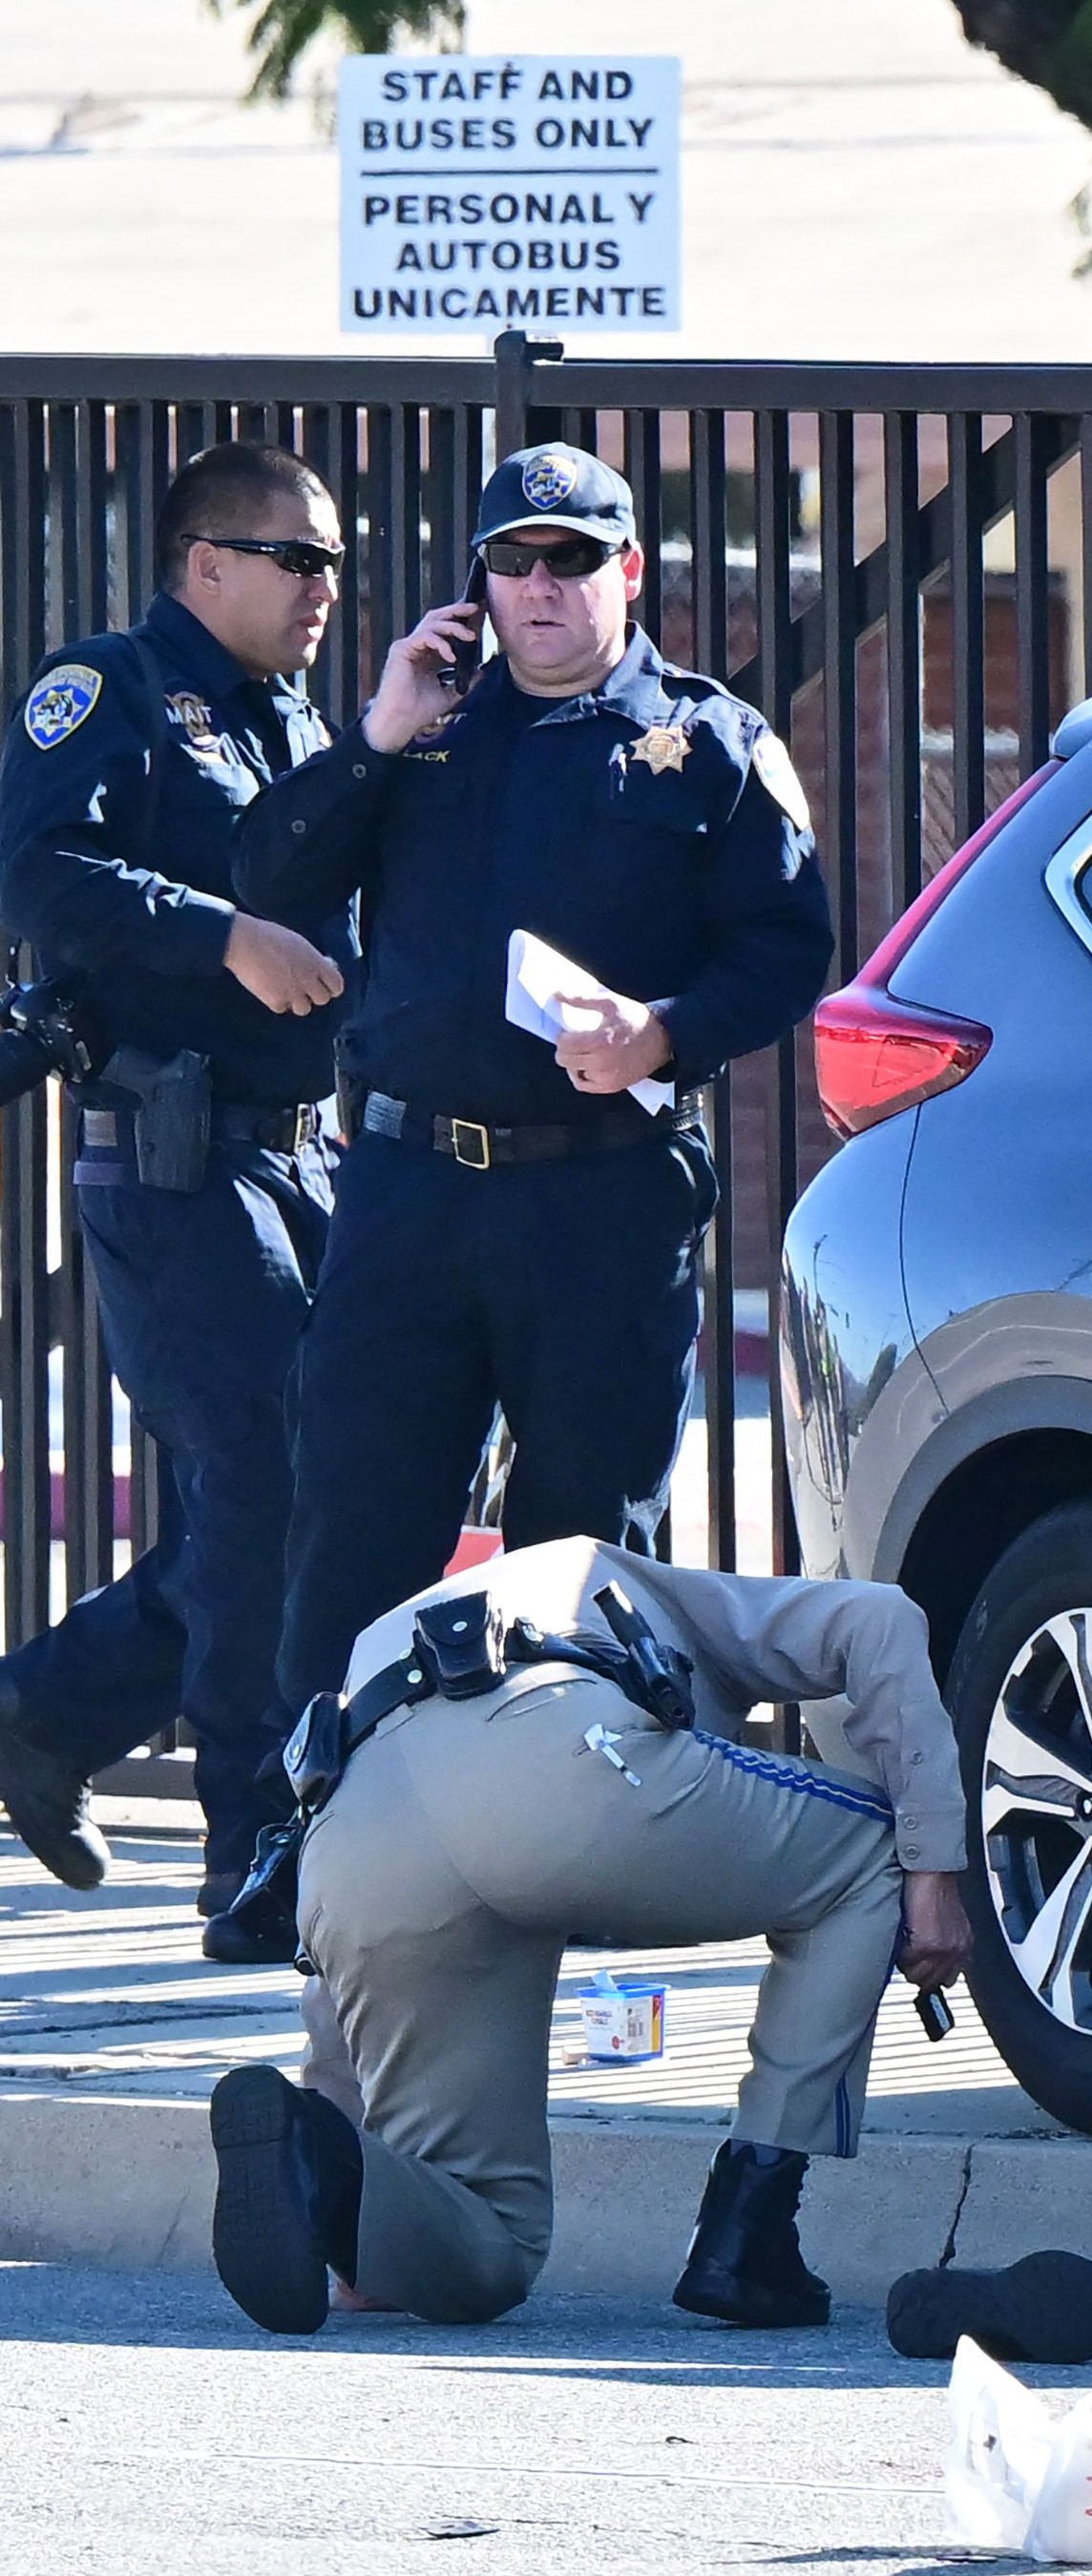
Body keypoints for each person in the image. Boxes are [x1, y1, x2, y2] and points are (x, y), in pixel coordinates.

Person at [221, 442, 832, 1962]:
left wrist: (668, 1031)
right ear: (479, 580)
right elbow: (269, 876)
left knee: (583, 1548)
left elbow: (788, 944)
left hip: (599, 1199)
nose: (540, 587)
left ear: (633, 571)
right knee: (354, 1534)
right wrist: (370, 732)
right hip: (414, 1193)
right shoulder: (421, 731)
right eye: (513, 560)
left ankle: (570, 1860)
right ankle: (303, 1860)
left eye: (572, 558)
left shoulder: (706, 741)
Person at [202, 1539, 970, 2331]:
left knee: (490, 2243)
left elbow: (341, 1993)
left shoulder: (396, 1635)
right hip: (553, 1747)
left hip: (351, 1840)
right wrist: (935, 1866)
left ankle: (325, 2173)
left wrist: (356, 2237)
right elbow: (880, 1616)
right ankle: (749, 2233)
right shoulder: (651, 1589)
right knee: (879, 1848)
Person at [0, 443, 358, 1924]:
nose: (324, 585)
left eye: (334, 559)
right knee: (268, 1476)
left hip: (308, 1152)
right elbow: (31, 870)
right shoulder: (112, 691)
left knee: (310, 1486)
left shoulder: (302, 718)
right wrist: (218, 934)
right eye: (297, 557)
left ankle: (49, 1710)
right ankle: (251, 1844)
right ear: (203, 559)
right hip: (173, 1154)